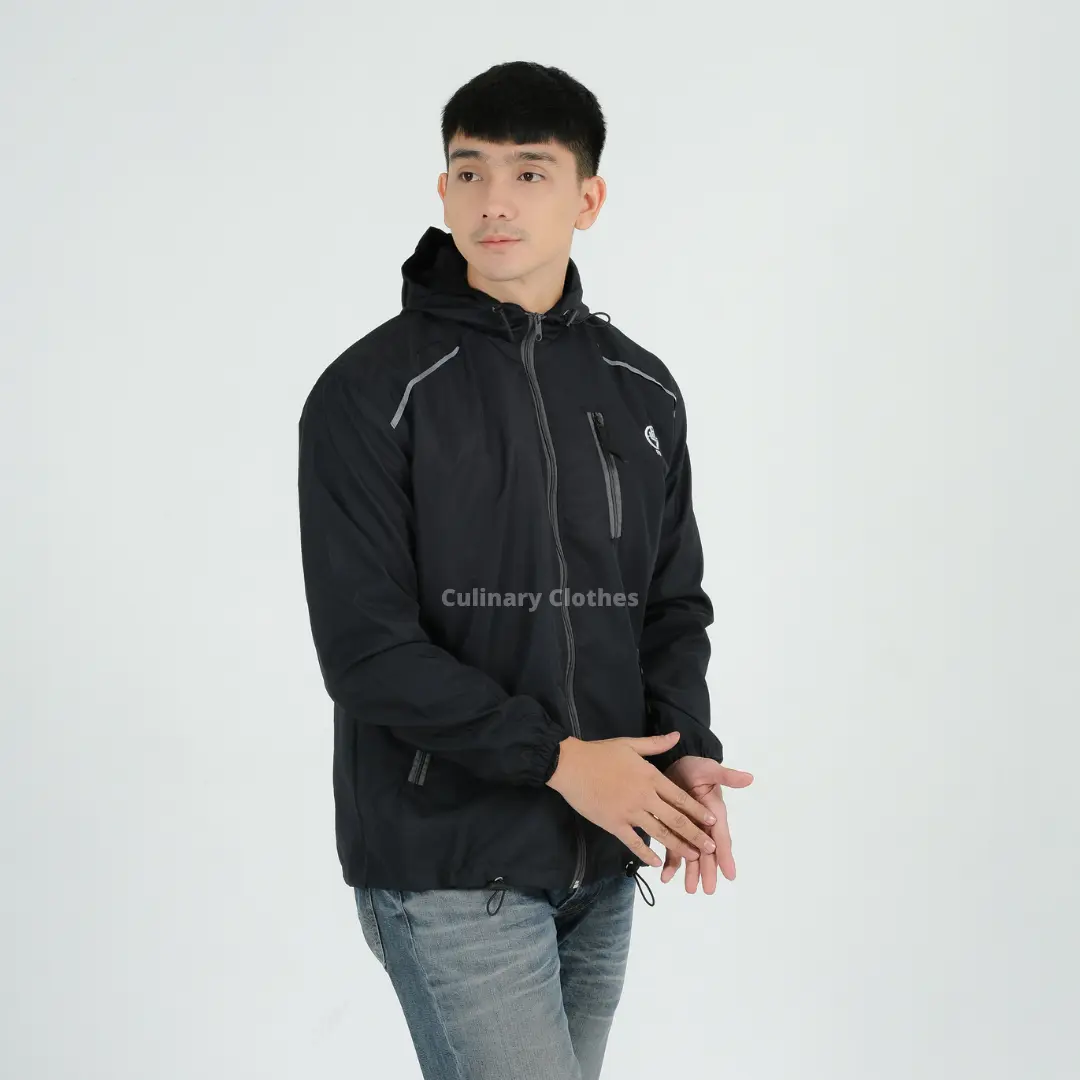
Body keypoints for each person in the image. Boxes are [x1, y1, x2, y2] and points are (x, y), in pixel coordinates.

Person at [297, 60, 753, 1080]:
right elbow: (368, 653)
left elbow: (670, 606)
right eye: (470, 172)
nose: (494, 201)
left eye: (530, 173)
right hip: (452, 866)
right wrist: (560, 759)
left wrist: (682, 752)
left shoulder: (640, 387)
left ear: (588, 198)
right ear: (443, 190)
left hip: (603, 862)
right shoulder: (370, 393)